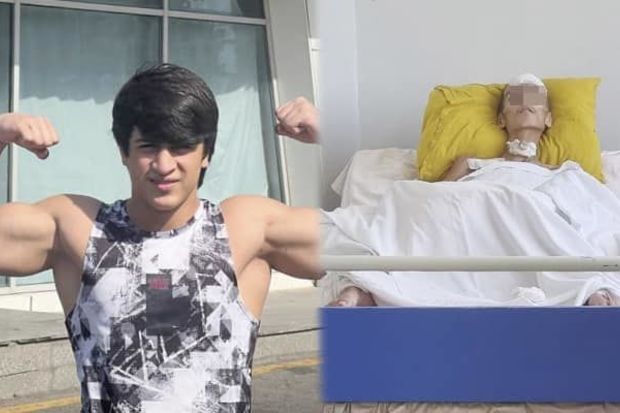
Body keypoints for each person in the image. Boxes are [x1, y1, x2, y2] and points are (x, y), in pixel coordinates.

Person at [0, 64, 321, 412]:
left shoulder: (245, 230)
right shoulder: (80, 230)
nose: (164, 165)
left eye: (181, 147)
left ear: (206, 153)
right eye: (148, 147)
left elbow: (365, 246)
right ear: (124, 151)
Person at [328, 73, 619, 307]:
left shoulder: (564, 172)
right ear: (502, 120)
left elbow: (599, 220)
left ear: (549, 119)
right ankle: (367, 287)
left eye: (535, 99)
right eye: (515, 99)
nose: (525, 104)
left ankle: (588, 288)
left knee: (527, 208)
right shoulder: (470, 164)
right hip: (467, 220)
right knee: (403, 199)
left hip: (527, 223)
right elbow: (432, 203)